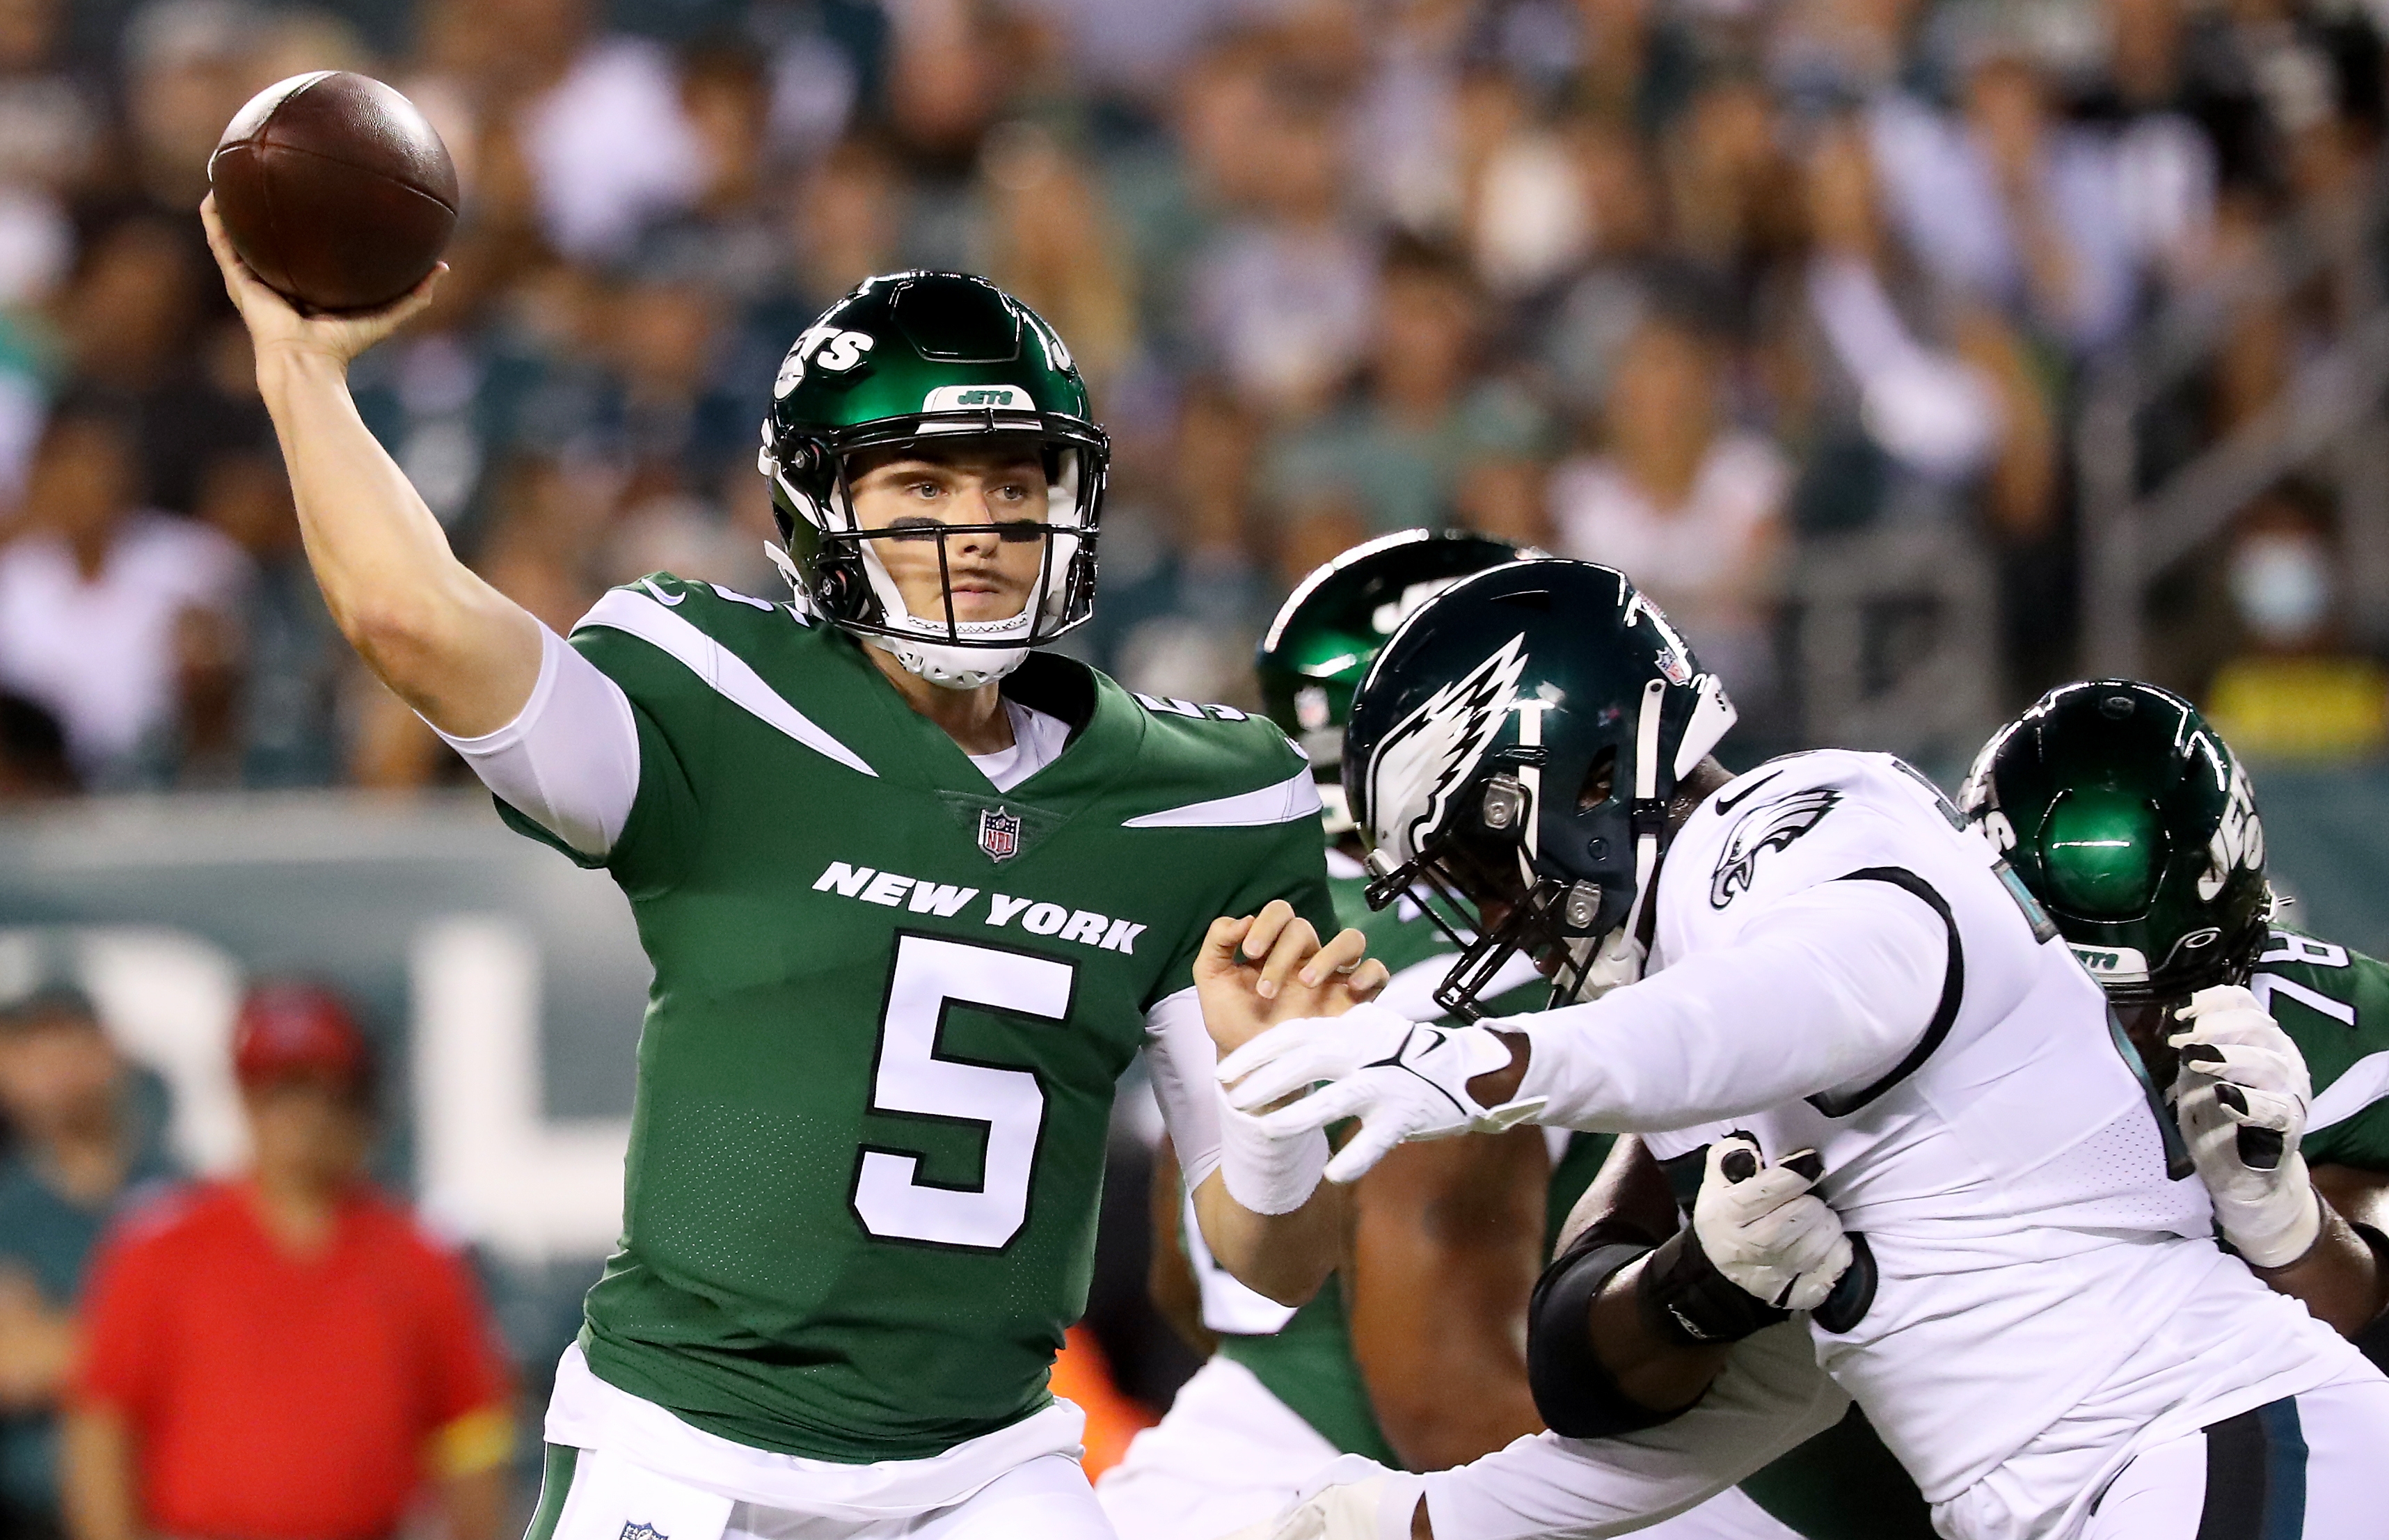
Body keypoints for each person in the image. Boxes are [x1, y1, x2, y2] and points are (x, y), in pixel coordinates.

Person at [200, 196, 1381, 1540]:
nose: (982, 526)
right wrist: (298, 370)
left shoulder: (1202, 801)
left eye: (1014, 483)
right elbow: (411, 616)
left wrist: (1285, 1113)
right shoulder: (719, 697)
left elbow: (1267, 1274)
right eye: (922, 484)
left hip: (987, 1462)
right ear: (822, 505)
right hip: (683, 1443)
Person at [1216, 559, 2389, 1540]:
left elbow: (1823, 985)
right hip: (2117, 1485)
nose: (1486, 920)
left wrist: (1481, 1064)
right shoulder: (1687, 994)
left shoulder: (1805, 821)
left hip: (2210, 1434)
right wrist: (1435, 1519)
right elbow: (1770, 1399)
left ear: (1567, 781)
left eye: (1474, 864)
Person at [1098, 531, 1797, 1540]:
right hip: (1343, 1487)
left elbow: (1188, 1276)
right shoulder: (1497, 965)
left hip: (1218, 1463)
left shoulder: (1258, 927)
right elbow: (1446, 1406)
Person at [61, 983, 514, 1540]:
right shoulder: (159, 1249)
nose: (302, 1113)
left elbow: (468, 1429)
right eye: (278, 1090)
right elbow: (103, 1427)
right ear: (246, 1102)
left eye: (324, 1090)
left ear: (357, 1103)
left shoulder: (416, 1255)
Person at [0, 987, 173, 1540]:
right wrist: (155, 1346)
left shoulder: (184, 1198)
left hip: (163, 1507)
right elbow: (10, 1361)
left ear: (111, 1053)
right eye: (30, 1054)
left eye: (70, 1048)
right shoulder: (11, 1206)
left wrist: (57, 1339)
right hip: (25, 1508)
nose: (54, 1076)